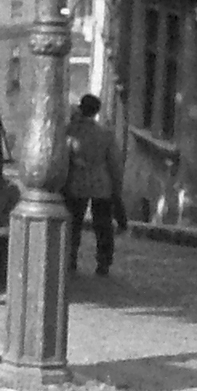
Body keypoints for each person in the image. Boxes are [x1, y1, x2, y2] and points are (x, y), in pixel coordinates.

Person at [64, 93, 127, 276]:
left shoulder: (70, 131)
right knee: (103, 225)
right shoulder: (105, 134)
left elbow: (64, 158)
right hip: (101, 183)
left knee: (73, 224)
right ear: (97, 111)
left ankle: (70, 259)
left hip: (76, 182)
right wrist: (117, 186)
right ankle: (104, 262)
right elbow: (114, 163)